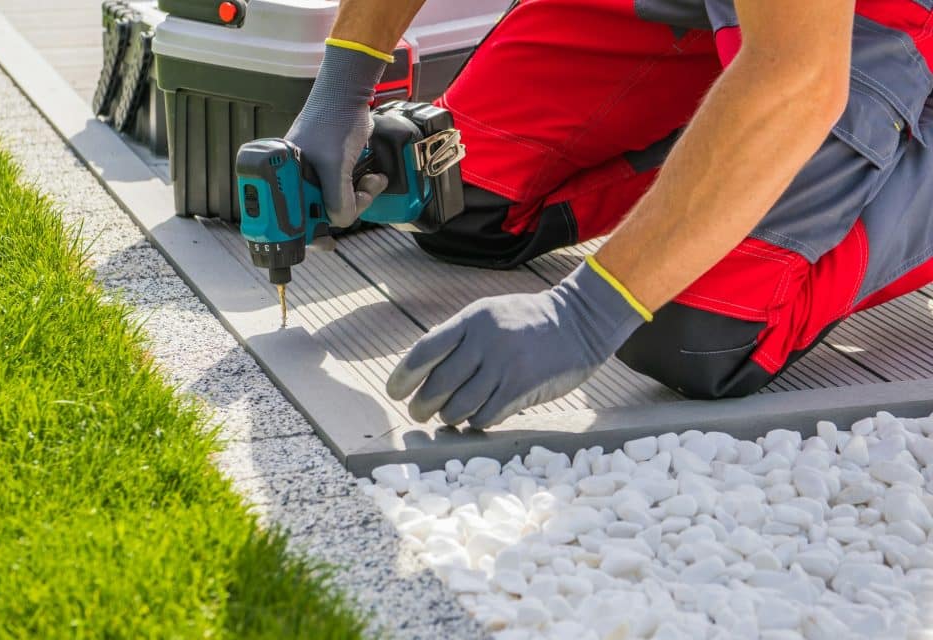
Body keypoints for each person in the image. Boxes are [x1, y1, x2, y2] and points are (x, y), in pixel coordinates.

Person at [286, 0, 933, 430]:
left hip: (874, 22)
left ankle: (793, 144)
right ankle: (737, 139)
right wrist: (346, 81)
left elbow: (797, 72)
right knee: (457, 189)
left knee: (683, 318)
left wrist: (583, 314)